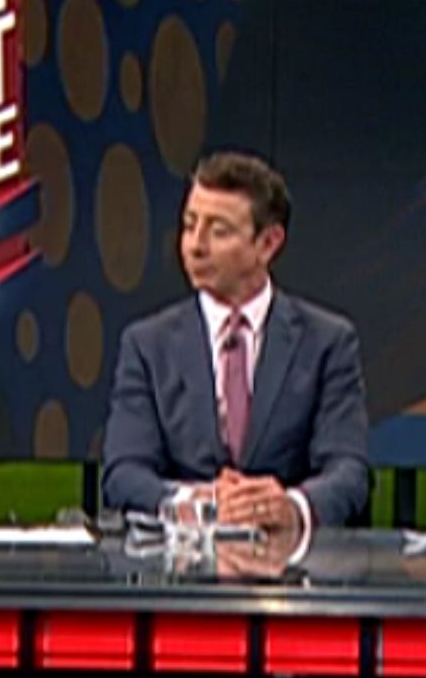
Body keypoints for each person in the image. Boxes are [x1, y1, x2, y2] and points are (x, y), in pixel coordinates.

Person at [102, 151, 368, 533]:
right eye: (189, 225)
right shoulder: (147, 345)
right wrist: (195, 502)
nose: (195, 246)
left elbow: (348, 472)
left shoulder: (327, 343)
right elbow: (123, 473)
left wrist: (289, 506)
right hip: (181, 562)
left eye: (219, 231)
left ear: (268, 243)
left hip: (287, 560)